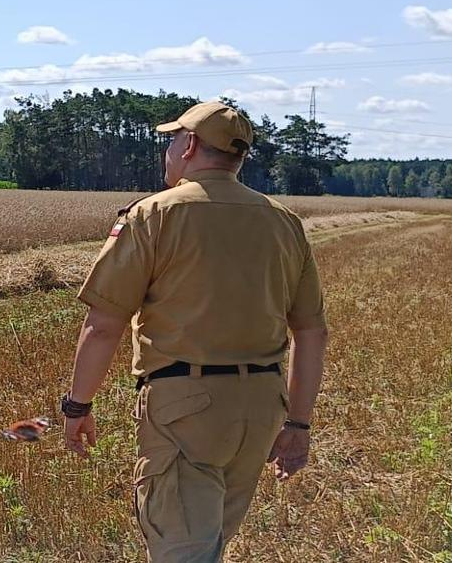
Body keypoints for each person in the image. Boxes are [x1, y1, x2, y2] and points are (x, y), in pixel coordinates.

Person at [60, 101, 329, 563]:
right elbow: (311, 332)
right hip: (261, 409)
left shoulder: (153, 215)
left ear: (189, 146)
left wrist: (77, 404)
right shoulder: (284, 222)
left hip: (184, 409)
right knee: (209, 547)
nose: (167, 149)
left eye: (171, 139)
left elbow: (104, 325)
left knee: (182, 553)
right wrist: (298, 424)